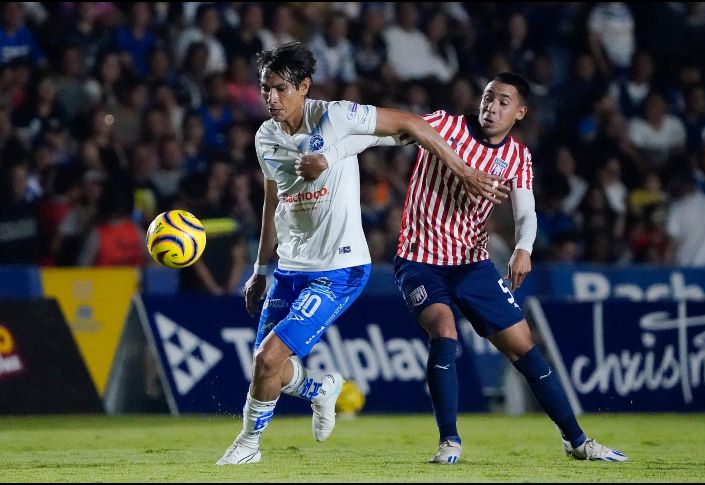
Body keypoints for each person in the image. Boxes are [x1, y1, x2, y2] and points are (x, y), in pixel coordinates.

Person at [298, 72, 629, 464]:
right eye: (488, 97)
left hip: (473, 265)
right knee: (444, 330)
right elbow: (375, 136)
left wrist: (523, 248)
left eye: (503, 101)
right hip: (420, 260)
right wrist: (328, 156)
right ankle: (449, 441)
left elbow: (526, 213)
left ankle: (576, 441)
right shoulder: (443, 126)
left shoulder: (517, 157)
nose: (492, 107)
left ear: (520, 112)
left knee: (524, 348)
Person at [216, 42, 508, 466]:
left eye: (280, 88)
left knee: (267, 358)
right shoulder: (265, 137)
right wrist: (261, 268)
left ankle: (248, 446)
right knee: (267, 369)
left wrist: (464, 172)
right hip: (290, 266)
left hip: (339, 268)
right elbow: (272, 199)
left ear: (304, 87)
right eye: (265, 89)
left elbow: (411, 123)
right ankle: (321, 389)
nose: (271, 98)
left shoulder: (337, 116)